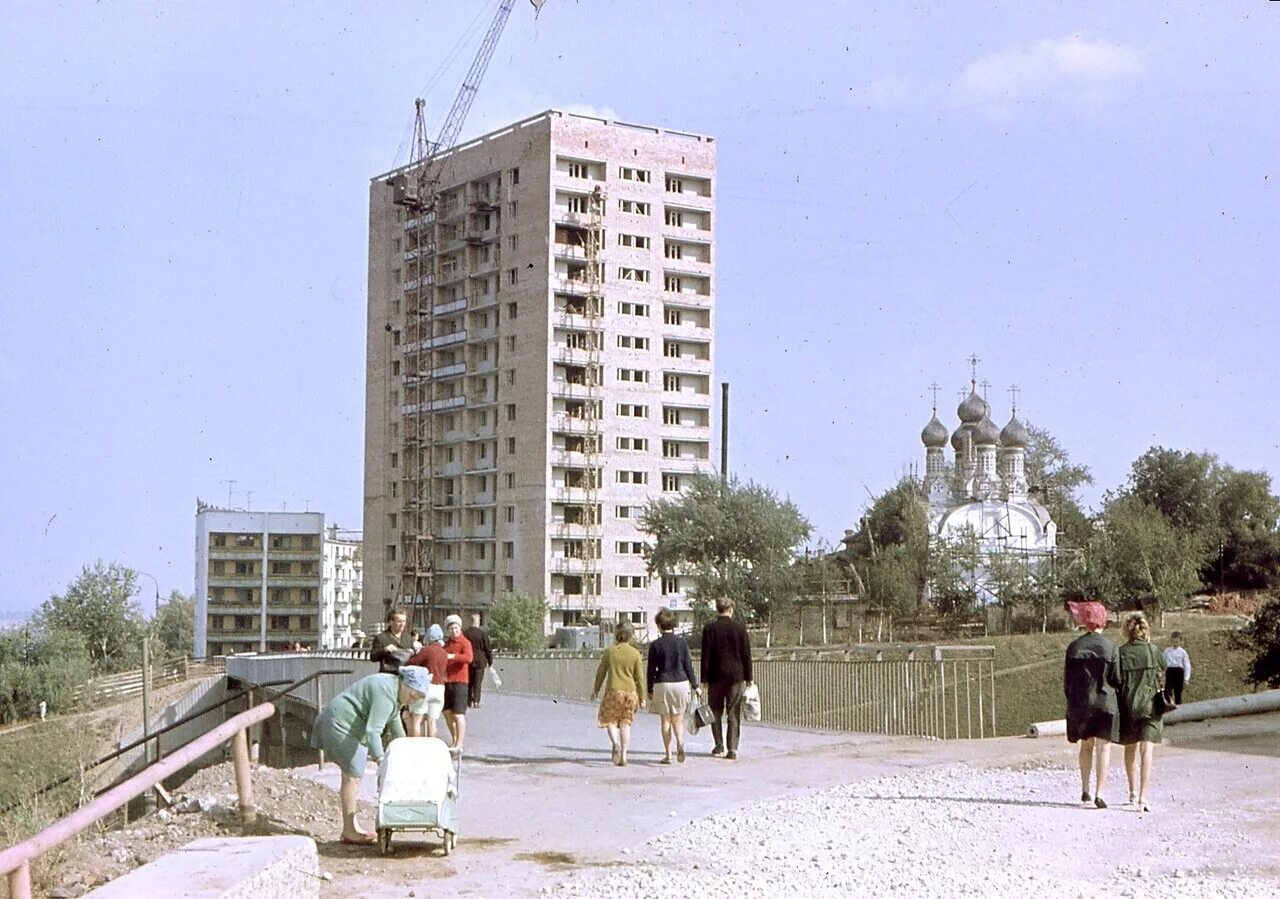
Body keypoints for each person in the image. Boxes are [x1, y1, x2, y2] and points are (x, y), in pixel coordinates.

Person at [310, 665, 431, 844]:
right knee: (353, 776)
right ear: (405, 684)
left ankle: (351, 826)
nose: (413, 701)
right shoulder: (385, 692)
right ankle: (349, 830)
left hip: (347, 723)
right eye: (413, 695)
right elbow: (374, 730)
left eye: (419, 698)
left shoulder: (394, 690)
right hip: (341, 723)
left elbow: (393, 717)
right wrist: (380, 760)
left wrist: (405, 745)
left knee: (351, 775)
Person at [1063, 600, 1121, 809]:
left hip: (1081, 703)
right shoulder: (1111, 647)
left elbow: (1067, 682)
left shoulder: (1074, 647)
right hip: (1105, 703)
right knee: (1103, 749)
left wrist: (1073, 700)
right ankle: (1100, 793)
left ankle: (1085, 789)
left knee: (1085, 746)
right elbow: (1116, 679)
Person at [1118, 612, 1165, 812]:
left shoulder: (1120, 653)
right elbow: (1163, 674)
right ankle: (1143, 798)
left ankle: (1132, 791)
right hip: (1151, 707)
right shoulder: (1153, 650)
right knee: (1147, 752)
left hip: (1128, 707)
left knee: (1129, 750)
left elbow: (1116, 680)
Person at [700, 596, 753, 760]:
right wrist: (749, 677)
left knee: (715, 711)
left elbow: (706, 655)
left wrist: (704, 678)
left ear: (717, 609)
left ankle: (719, 744)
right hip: (736, 675)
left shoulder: (709, 628)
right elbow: (746, 654)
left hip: (715, 676)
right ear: (731, 609)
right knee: (733, 711)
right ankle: (733, 748)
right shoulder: (739, 628)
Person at [646, 608, 698, 764]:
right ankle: (680, 742)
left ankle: (668, 754)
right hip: (681, 683)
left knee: (665, 720)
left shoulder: (655, 645)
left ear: (659, 626)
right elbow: (688, 665)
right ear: (673, 625)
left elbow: (651, 669)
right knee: (678, 719)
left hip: (663, 684)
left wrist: (649, 688)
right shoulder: (681, 643)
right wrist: (695, 684)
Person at [591, 620, 645, 766]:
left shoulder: (610, 652)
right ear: (631, 636)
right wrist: (642, 697)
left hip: (613, 692)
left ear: (617, 634)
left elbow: (601, 673)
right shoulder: (635, 654)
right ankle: (624, 756)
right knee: (625, 724)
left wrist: (596, 690)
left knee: (610, 720)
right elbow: (640, 677)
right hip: (630, 693)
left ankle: (615, 743)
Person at [404, 624, 448, 738]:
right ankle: (431, 746)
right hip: (439, 688)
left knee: (417, 719)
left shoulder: (426, 650)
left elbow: (412, 663)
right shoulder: (444, 653)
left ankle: (417, 747)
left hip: (425, 687)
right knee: (432, 720)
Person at [441, 614, 474, 751]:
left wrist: (453, 656)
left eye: (456, 628)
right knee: (447, 712)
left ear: (460, 629)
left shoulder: (465, 642)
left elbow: (469, 658)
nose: (454, 631)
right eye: (451, 629)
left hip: (460, 681)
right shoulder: (446, 644)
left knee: (458, 713)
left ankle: (460, 742)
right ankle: (454, 738)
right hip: (447, 681)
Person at [369, 606, 420, 673]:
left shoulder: (407, 638)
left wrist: (413, 653)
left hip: (404, 676)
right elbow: (373, 657)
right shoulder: (381, 637)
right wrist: (385, 650)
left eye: (404, 621)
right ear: (391, 622)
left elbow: (414, 659)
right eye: (399, 621)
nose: (402, 624)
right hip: (388, 676)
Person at [464, 612, 494, 709]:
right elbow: (488, 648)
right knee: (478, 682)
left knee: (469, 681)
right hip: (480, 661)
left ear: (470, 620)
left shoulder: (465, 633)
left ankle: (468, 700)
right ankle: (476, 701)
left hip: (469, 660)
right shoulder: (482, 634)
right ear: (478, 621)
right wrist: (490, 661)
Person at [1162, 631, 1192, 705]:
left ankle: (1179, 709)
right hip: (1170, 672)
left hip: (1179, 672)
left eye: (1177, 641)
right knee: (1167, 691)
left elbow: (1187, 665)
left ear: (1180, 641)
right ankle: (1169, 706)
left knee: (1178, 693)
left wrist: (1186, 678)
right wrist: (1161, 674)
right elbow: (1162, 662)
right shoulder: (1167, 651)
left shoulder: (1183, 652)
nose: (1175, 643)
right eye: (1173, 641)